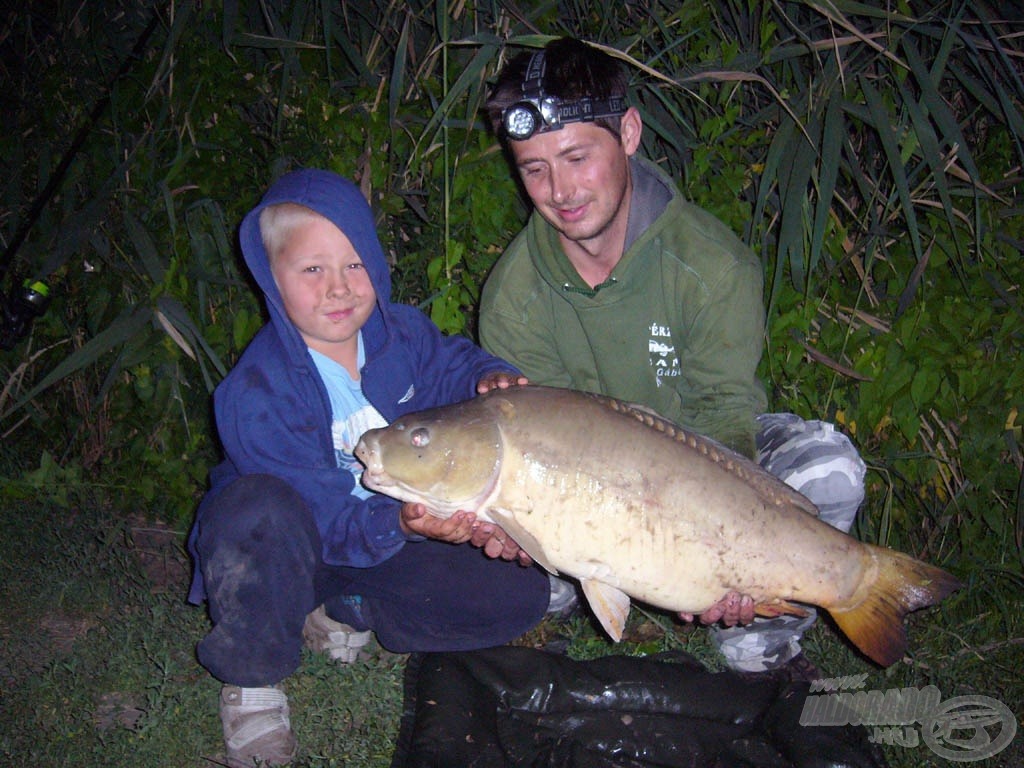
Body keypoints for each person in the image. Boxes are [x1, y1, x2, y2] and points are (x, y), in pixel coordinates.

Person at [479, 37, 866, 678]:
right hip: (590, 489)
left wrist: (720, 550)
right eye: (534, 168)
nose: (560, 190)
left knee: (828, 471)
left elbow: (725, 412)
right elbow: (540, 453)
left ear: (628, 133)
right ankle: (583, 592)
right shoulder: (513, 295)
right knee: (499, 555)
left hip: (710, 456)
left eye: (577, 157)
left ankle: (758, 633)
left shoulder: (710, 265)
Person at [186, 168, 550, 767]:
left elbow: (455, 366)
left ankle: (346, 608)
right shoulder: (255, 390)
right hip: (292, 551)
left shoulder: (402, 334)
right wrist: (404, 524)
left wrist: (489, 377)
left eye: (354, 265)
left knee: (519, 595)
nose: (338, 288)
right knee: (252, 512)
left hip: (381, 543)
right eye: (312, 270)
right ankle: (253, 681)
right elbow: (325, 516)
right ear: (271, 279)